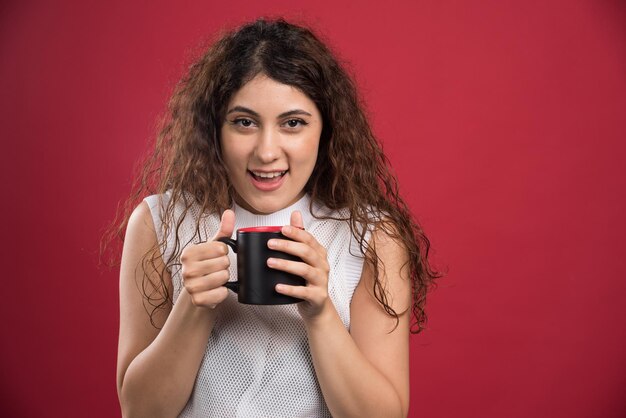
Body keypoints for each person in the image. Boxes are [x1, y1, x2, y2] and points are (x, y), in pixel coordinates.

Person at [111, 18, 438, 418]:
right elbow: (139, 412)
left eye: (293, 123)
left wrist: (320, 313)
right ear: (215, 128)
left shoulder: (371, 238)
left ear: (326, 130)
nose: (267, 152)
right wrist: (192, 306)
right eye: (244, 122)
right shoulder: (159, 222)